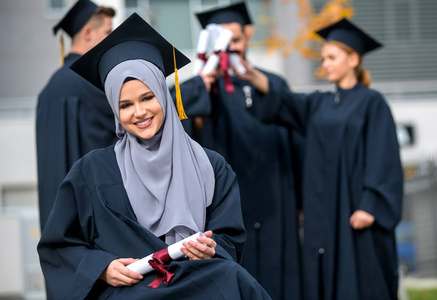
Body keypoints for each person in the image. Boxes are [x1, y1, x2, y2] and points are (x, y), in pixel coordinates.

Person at [37, 13, 271, 300]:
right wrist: (102, 267)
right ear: (115, 110)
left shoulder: (210, 166)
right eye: (125, 105)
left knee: (236, 281)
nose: (139, 112)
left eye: (148, 98)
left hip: (196, 280)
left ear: (163, 95)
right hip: (128, 291)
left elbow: (228, 238)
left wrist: (212, 249)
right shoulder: (91, 171)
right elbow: (59, 245)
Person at [251, 18, 404, 300]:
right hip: (325, 216)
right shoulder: (318, 103)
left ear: (354, 58)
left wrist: (370, 205)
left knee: (361, 281)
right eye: (323, 58)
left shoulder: (372, 102)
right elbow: (282, 100)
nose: (326, 64)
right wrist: (248, 73)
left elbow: (383, 156)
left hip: (356, 213)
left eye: (332, 57)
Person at [171, 3, 303, 299]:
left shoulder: (271, 84)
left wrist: (301, 202)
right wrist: (203, 82)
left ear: (248, 39)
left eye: (238, 39)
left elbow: (298, 140)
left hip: (276, 203)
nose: (233, 47)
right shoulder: (205, 89)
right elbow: (174, 122)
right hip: (230, 205)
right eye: (224, 41)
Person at [36, 0, 117, 230]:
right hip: (92, 215)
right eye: (107, 32)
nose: (111, 40)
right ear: (88, 32)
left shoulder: (49, 89)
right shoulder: (90, 82)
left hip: (58, 218)